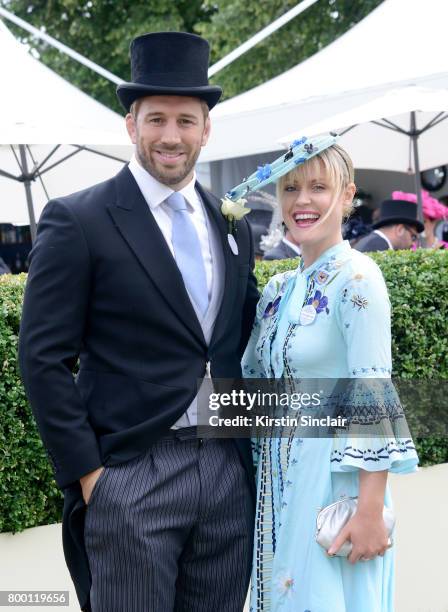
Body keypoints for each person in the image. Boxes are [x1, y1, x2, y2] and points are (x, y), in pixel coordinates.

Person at [18, 32, 258, 612]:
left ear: (206, 130)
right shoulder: (78, 219)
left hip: (226, 469)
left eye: (185, 120)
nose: (170, 136)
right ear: (131, 125)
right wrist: (92, 477)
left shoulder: (233, 225)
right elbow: (42, 356)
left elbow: (239, 342)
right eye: (155, 119)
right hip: (131, 474)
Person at [237, 136, 418, 611]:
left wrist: (370, 511)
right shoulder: (277, 288)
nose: (302, 201)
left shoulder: (358, 279)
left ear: (347, 195)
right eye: (291, 189)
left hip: (334, 490)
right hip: (277, 486)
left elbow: (372, 387)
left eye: (318, 187)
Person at [354, 197, 423, 252]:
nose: (413, 243)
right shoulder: (379, 247)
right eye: (413, 237)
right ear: (400, 229)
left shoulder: (374, 242)